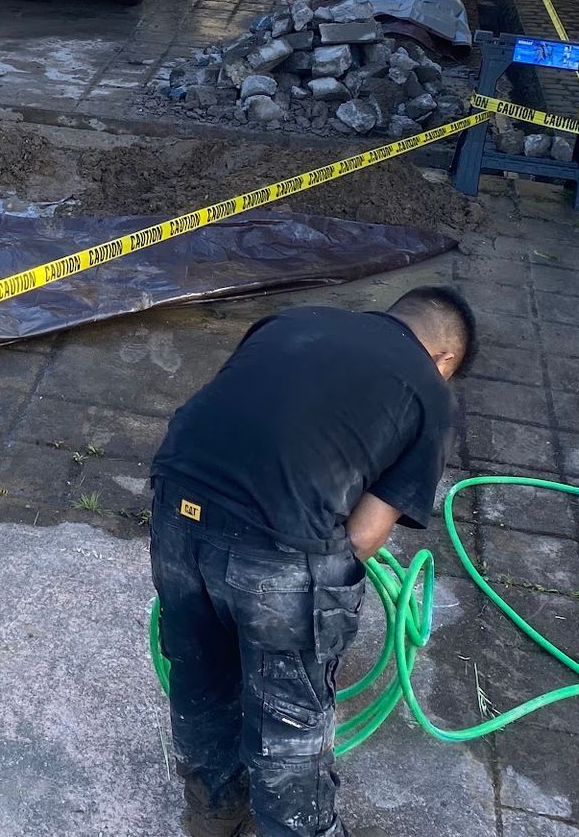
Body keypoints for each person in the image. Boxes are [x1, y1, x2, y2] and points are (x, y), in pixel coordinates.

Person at [148, 286, 476, 837]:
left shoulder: (291, 321)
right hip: (277, 549)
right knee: (287, 720)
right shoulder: (431, 394)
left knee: (200, 671)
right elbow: (364, 539)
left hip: (174, 508)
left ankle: (213, 810)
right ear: (444, 358)